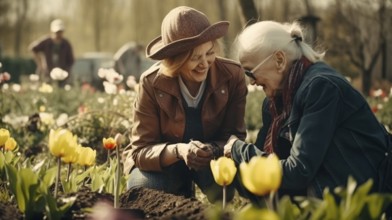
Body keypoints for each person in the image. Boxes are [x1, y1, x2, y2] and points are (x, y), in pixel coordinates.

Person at [224, 20, 392, 201]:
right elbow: (260, 168)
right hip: (327, 193)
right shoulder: (275, 103)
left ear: (279, 60)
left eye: (250, 72)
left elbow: (298, 171)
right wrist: (223, 156)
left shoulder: (321, 87)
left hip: (366, 197)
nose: (252, 82)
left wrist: (239, 151)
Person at [122, 6, 247, 202]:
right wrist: (179, 151)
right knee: (142, 187)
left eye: (210, 53)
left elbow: (235, 136)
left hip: (210, 161)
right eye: (195, 58)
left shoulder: (232, 75)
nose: (205, 63)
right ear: (175, 60)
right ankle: (180, 190)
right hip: (166, 163)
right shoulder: (152, 83)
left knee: (225, 188)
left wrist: (212, 150)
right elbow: (140, 151)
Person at [29, 19, 74, 87]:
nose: (58, 34)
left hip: (61, 78)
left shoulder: (66, 44)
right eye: (57, 32)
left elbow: (71, 61)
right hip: (47, 74)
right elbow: (32, 48)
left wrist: (65, 73)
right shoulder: (46, 42)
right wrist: (40, 63)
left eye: (60, 32)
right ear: (52, 31)